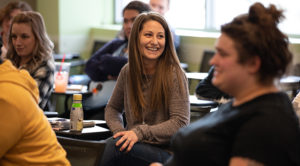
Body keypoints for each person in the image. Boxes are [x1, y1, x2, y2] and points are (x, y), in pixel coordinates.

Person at [151, 2, 300, 166]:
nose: (213, 61)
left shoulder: (267, 124)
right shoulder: (241, 104)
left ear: (252, 64)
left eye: (222, 54)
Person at [99, 12, 190, 166]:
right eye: (148, 35)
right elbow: (113, 108)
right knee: (104, 147)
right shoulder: (127, 71)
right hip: (135, 146)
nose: (155, 42)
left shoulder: (175, 73)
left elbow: (180, 123)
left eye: (160, 36)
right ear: (136, 38)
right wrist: (119, 132)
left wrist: (138, 132)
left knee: (112, 148)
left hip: (167, 153)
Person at [83, 1, 151, 116]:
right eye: (125, 21)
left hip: (117, 111)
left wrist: (107, 62)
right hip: (92, 102)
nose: (129, 26)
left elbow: (133, 69)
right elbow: (89, 66)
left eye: (133, 20)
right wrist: (109, 75)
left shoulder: (149, 49)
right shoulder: (116, 44)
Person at [0, 59, 70, 165]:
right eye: (13, 40)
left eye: (24, 40)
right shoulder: (10, 73)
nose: (17, 43)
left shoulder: (7, 94)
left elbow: (36, 101)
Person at [6, 11, 54, 110]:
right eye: (14, 37)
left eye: (24, 37)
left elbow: (28, 103)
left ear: (38, 38)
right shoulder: (9, 60)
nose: (17, 43)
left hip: (30, 123)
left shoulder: (45, 66)